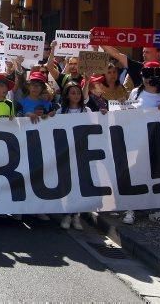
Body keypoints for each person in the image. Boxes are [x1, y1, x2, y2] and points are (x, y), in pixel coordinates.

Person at [121, 61, 160, 226]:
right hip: (137, 142)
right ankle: (131, 208)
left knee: (156, 174)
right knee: (136, 173)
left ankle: (155, 210)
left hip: (158, 144)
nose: (147, 79)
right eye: (145, 75)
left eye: (151, 76)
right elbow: (128, 113)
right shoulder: (135, 93)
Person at [58, 81, 108, 230]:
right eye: (73, 93)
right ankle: (67, 215)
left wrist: (103, 114)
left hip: (82, 153)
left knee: (80, 183)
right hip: (67, 154)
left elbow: (97, 122)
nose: (76, 95)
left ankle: (76, 216)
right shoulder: (61, 111)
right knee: (69, 183)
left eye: (78, 93)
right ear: (67, 95)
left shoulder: (86, 111)